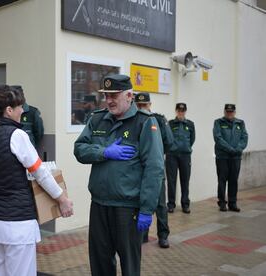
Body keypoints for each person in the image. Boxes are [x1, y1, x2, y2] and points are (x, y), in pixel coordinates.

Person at [0, 84, 73, 276]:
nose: (23, 110)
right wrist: (62, 199)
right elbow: (41, 173)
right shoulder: (17, 135)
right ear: (9, 110)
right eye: (19, 106)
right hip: (17, 223)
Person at [74, 75, 164, 276]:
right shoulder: (97, 119)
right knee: (99, 263)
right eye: (106, 95)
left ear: (129, 95)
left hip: (127, 209)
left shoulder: (144, 123)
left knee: (129, 266)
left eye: (114, 95)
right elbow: (79, 149)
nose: (109, 100)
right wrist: (103, 152)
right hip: (99, 205)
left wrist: (147, 209)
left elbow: (154, 168)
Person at [135, 92, 173, 249]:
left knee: (160, 205)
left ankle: (163, 236)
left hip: (155, 168)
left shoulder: (159, 120)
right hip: (138, 170)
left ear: (150, 105)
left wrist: (156, 152)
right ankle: (142, 235)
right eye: (139, 106)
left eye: (145, 105)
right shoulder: (133, 121)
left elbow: (169, 141)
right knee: (140, 203)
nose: (143, 108)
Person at [213, 104, 248, 212]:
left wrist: (238, 148)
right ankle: (222, 203)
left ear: (234, 112)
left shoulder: (240, 123)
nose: (229, 113)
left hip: (236, 157)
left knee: (233, 180)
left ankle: (233, 203)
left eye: (231, 112)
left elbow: (244, 137)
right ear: (224, 112)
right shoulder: (218, 122)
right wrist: (230, 149)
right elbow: (218, 138)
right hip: (222, 157)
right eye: (227, 111)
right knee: (222, 180)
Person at [166, 103, 195, 214]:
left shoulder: (190, 124)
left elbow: (192, 139)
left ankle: (185, 205)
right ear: (176, 111)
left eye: (182, 111)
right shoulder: (170, 123)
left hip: (185, 156)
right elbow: (167, 138)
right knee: (171, 181)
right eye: (179, 110)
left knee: (185, 181)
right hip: (172, 156)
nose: (180, 112)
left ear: (185, 111)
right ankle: (171, 205)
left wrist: (185, 148)